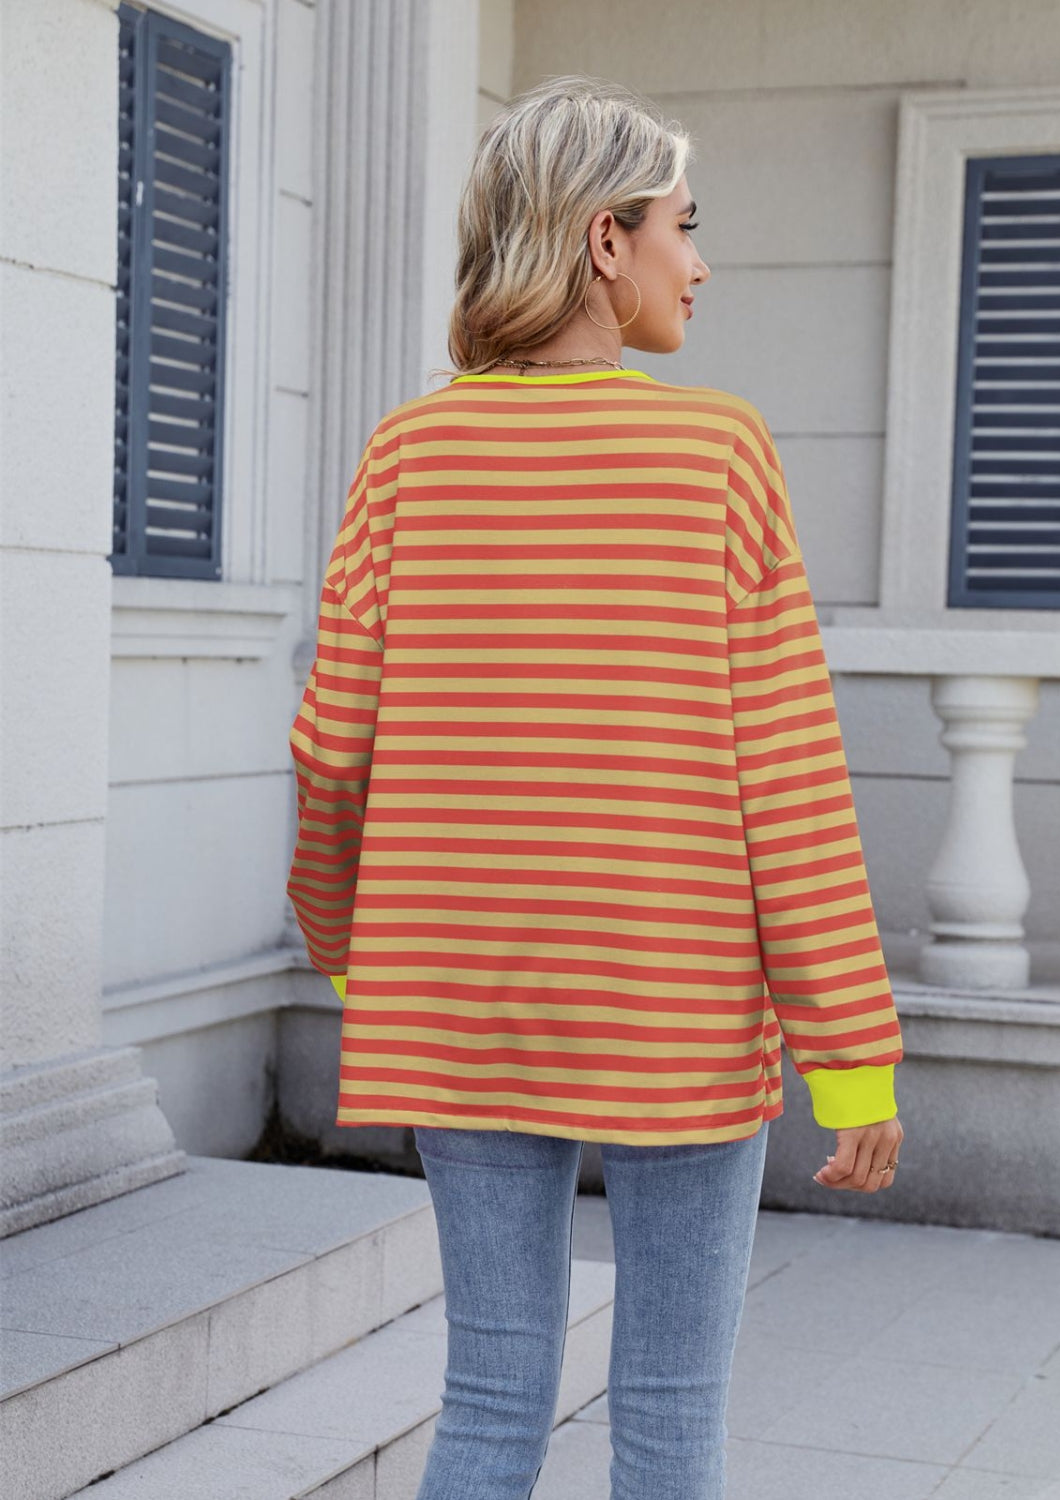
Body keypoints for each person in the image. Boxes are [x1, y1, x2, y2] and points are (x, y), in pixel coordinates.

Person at [286, 73, 905, 1500]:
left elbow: (333, 745)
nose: (702, 262)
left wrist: (347, 947)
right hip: (675, 1007)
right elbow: (788, 776)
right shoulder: (717, 452)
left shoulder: (406, 454)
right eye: (686, 224)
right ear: (604, 239)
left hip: (457, 997)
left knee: (489, 1399)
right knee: (672, 1419)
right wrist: (851, 1054)